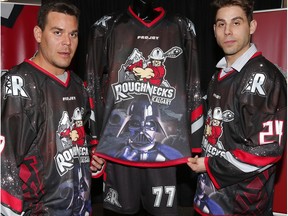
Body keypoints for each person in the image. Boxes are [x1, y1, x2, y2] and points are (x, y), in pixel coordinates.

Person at [87, 0, 204, 215]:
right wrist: (95, 139)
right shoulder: (107, 26)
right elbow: (93, 83)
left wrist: (194, 142)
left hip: (165, 144)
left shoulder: (181, 27)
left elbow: (193, 83)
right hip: (118, 148)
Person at [187, 0, 287, 215]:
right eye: (221, 24)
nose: (228, 31)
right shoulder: (219, 75)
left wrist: (210, 166)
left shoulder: (264, 77)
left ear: (251, 27)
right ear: (214, 30)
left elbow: (266, 151)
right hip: (211, 199)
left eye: (236, 22)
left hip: (242, 206)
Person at [1, 1, 93, 215]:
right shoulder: (19, 84)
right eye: (58, 32)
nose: (67, 43)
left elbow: (75, 141)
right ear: (38, 34)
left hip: (79, 207)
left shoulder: (79, 86)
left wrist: (89, 156)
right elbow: (5, 162)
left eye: (73, 34)